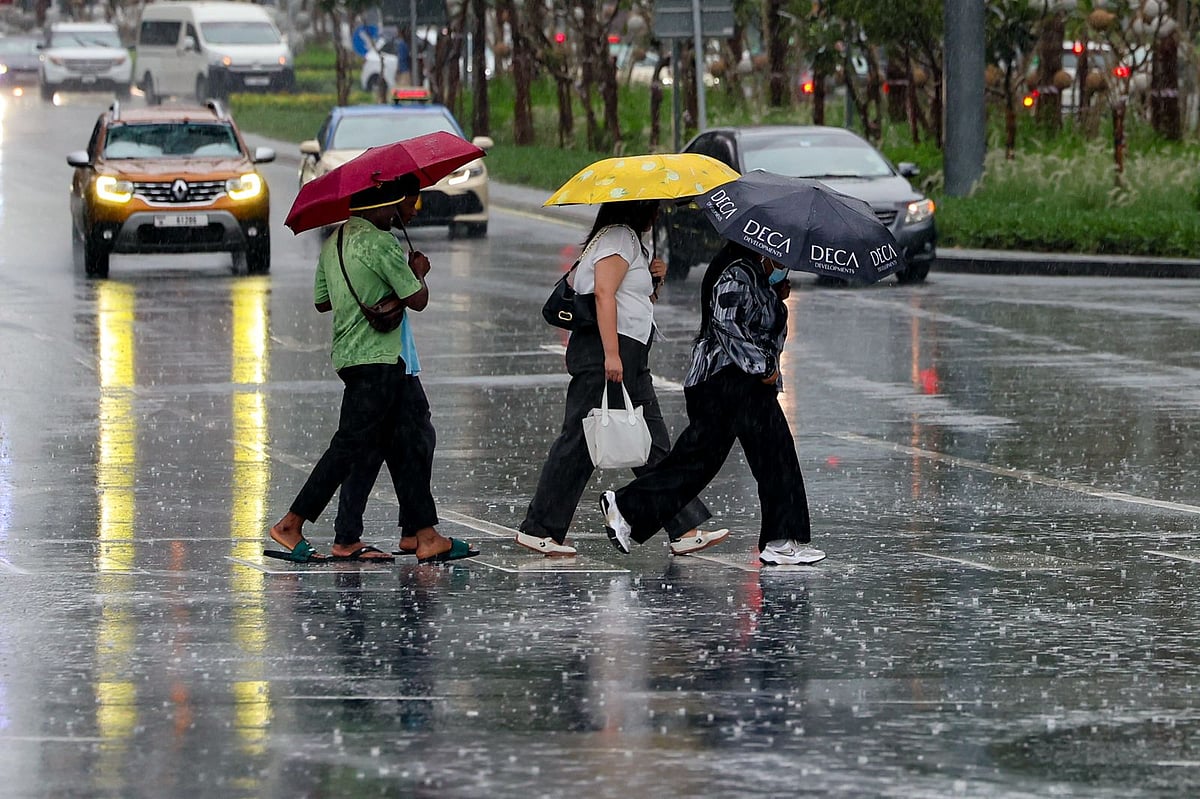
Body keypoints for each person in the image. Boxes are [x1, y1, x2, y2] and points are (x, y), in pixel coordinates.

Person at [267, 175, 476, 565]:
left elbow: (322, 301)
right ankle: (292, 523)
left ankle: (423, 534)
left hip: (351, 357)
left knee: (409, 439)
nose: (403, 212)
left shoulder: (334, 242)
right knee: (349, 448)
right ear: (386, 204)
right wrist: (417, 271)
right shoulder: (382, 244)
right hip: (380, 359)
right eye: (399, 204)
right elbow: (418, 300)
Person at [517, 199, 728, 557]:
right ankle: (539, 529)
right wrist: (612, 354)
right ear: (636, 208)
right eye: (654, 208)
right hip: (607, 353)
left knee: (652, 443)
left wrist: (652, 278)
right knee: (579, 442)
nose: (657, 215)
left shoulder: (624, 241)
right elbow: (603, 293)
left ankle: (683, 526)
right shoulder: (617, 238)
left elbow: (628, 298)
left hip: (627, 353)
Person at [598, 240, 826, 567]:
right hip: (729, 382)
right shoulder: (737, 273)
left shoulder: (751, 275)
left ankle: (627, 507)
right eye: (779, 258)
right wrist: (761, 366)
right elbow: (727, 324)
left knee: (699, 462)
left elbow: (751, 323)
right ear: (762, 249)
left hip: (727, 383)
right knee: (776, 456)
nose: (783, 265)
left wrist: (772, 296)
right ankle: (781, 539)